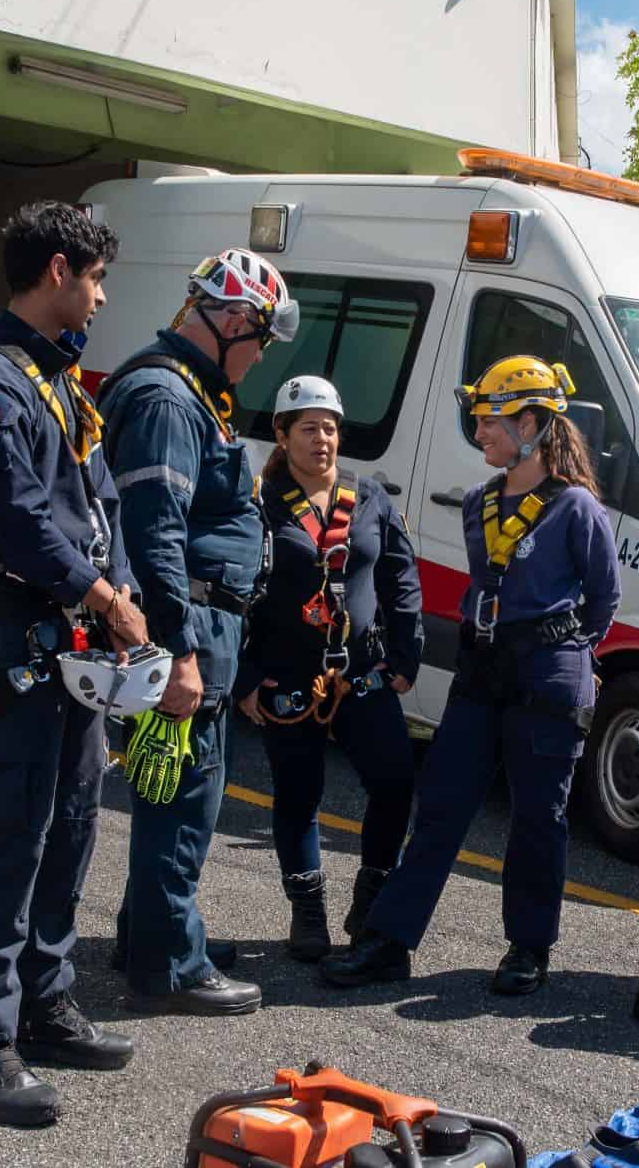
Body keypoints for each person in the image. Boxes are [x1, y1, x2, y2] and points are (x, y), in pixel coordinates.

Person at [0, 200, 145, 1128]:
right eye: (96, 279)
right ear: (58, 270)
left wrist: (121, 598)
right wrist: (104, 599)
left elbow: (101, 516)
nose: (101, 296)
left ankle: (45, 1005)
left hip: (79, 646)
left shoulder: (66, 387)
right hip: (20, 636)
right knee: (14, 838)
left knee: (70, 828)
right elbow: (18, 517)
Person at [321, 355, 620, 996]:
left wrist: (561, 652)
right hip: (482, 667)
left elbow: (603, 600)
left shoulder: (578, 509)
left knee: (541, 815)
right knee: (443, 806)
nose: (479, 433)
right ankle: (390, 940)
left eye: (489, 421)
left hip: (547, 671)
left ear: (532, 423)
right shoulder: (481, 502)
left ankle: (528, 948)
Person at [96, 247, 298, 1015]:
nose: (258, 356)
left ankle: (150, 934)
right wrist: (177, 650)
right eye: (259, 339)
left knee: (169, 789)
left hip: (200, 623)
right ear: (231, 320)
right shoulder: (168, 399)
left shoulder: (182, 391)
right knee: (183, 797)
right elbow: (157, 533)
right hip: (187, 630)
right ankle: (168, 965)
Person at [234, 376, 422, 963]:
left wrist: (406, 655)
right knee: (298, 793)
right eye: (309, 428)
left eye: (331, 428)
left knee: (394, 781)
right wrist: (245, 677)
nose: (323, 439)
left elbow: (400, 577)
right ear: (283, 435)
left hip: (362, 672)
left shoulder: (370, 498)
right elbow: (234, 592)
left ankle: (371, 896)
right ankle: (307, 911)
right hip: (288, 677)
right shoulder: (258, 506)